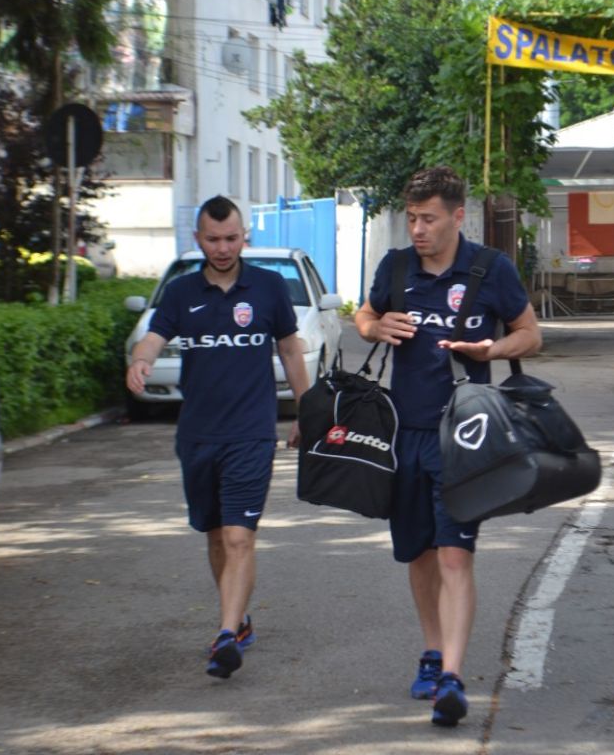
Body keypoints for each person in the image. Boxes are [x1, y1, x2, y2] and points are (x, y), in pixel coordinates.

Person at [353, 166, 542, 727]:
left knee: (455, 554)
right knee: (419, 554)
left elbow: (531, 334)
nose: (418, 229)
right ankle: (432, 654)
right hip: (405, 434)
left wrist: (492, 350)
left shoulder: (491, 268)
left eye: (429, 219)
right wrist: (373, 328)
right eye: (412, 218)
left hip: (465, 435)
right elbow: (365, 314)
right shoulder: (396, 267)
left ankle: (453, 678)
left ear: (458, 216)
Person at [126, 195, 309, 680]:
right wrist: (141, 360)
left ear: (243, 236)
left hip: (252, 432)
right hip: (198, 435)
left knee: (238, 536)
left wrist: (307, 409)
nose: (223, 248)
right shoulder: (181, 292)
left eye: (231, 238)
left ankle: (226, 635)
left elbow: (290, 350)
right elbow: (154, 336)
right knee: (214, 535)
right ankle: (238, 618)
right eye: (213, 239)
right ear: (198, 239)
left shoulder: (268, 287)